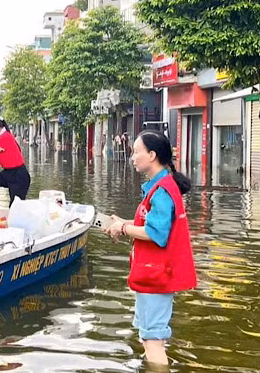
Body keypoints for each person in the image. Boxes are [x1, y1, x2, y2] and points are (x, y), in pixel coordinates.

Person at [104, 130, 196, 367]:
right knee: (152, 336)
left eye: (137, 152)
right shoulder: (162, 186)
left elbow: (156, 234)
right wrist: (123, 223)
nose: (132, 157)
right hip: (155, 273)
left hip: (156, 275)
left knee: (151, 339)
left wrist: (123, 229)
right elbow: (150, 224)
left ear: (152, 155)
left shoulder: (163, 191)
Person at [0, 114, 31, 205]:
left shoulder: (4, 137)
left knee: (15, 208)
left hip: (19, 176)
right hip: (9, 173)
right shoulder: (2, 137)